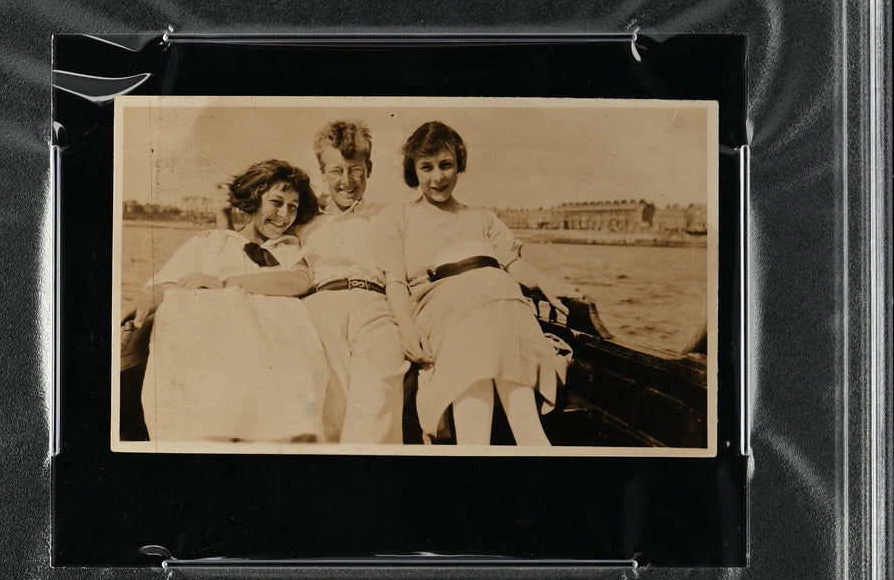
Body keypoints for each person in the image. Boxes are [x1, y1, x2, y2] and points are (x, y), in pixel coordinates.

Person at [376, 121, 578, 445]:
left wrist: (544, 282)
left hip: (495, 305)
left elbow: (513, 264)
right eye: (427, 167)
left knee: (495, 300)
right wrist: (406, 327)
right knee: (484, 314)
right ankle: (529, 440)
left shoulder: (482, 218)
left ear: (459, 164)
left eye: (446, 165)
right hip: (441, 312)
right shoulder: (398, 217)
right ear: (413, 170)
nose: (438, 177)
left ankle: (500, 443)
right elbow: (396, 280)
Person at [215, 121, 409, 443]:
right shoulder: (304, 219)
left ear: (369, 169)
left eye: (356, 170)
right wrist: (223, 219)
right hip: (320, 306)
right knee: (326, 405)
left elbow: (398, 274)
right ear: (322, 172)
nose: (346, 181)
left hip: (375, 307)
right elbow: (250, 248)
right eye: (336, 171)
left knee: (377, 397)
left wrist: (409, 326)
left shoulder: (387, 216)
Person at [136, 159, 329, 443]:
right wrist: (143, 300)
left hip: (276, 351)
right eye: (276, 202)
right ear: (253, 199)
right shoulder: (212, 241)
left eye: (293, 207)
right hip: (219, 350)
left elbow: (298, 282)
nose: (284, 214)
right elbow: (169, 281)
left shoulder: (289, 248)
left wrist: (224, 284)